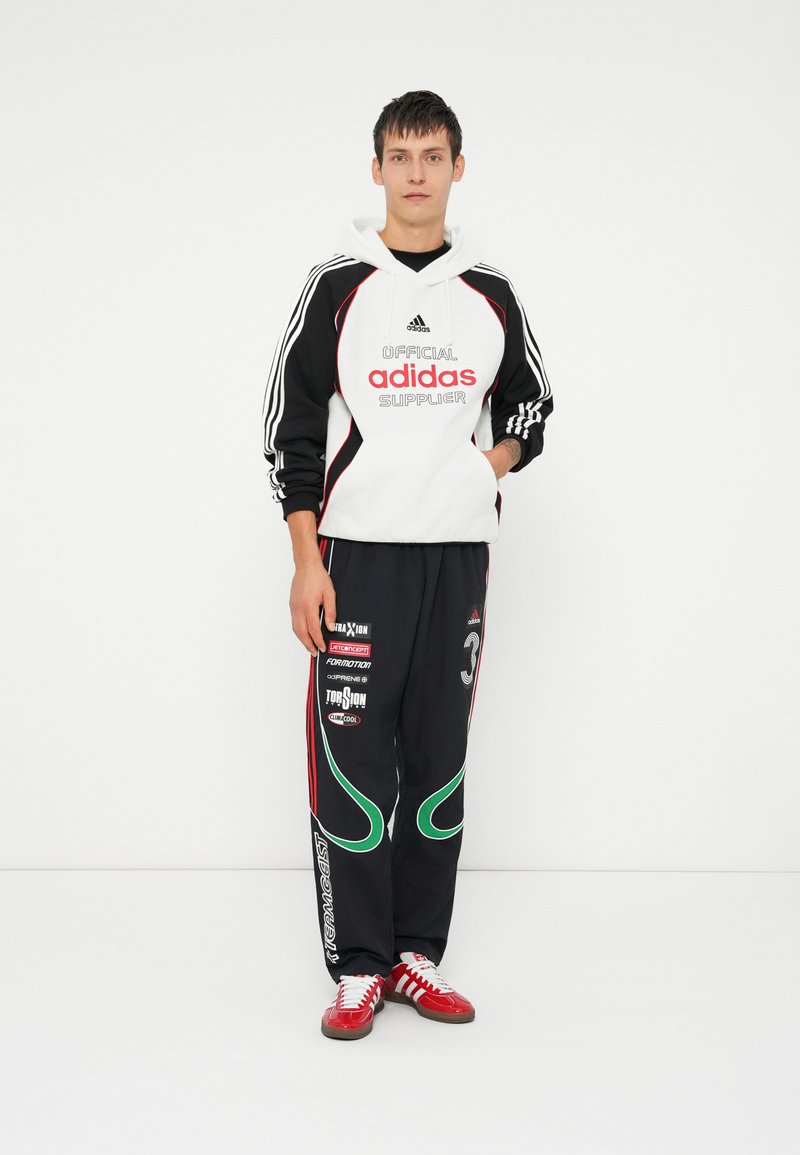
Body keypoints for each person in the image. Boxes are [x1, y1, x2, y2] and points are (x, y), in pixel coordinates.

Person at [261, 90, 553, 1040]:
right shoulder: (338, 286)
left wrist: (484, 467)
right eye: (400, 156)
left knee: (437, 760)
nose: (416, 173)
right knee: (351, 764)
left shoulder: (490, 293)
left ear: (458, 168)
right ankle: (358, 965)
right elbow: (291, 432)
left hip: (456, 559)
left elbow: (533, 405)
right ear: (377, 168)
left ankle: (417, 955)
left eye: (433, 156)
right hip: (356, 557)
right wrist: (306, 562)